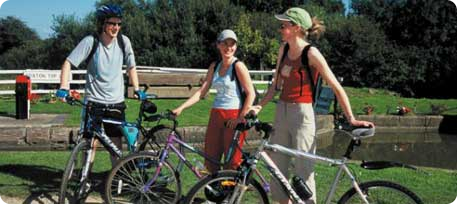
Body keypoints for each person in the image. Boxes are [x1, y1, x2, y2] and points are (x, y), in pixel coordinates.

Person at [249, 7, 375, 204]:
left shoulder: (311, 53)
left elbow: (335, 86)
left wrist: (351, 118)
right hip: (281, 111)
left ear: (297, 28)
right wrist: (260, 106)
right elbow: (275, 86)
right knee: (277, 169)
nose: (280, 28)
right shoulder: (283, 50)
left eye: (284, 24)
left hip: (302, 114)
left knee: (303, 171)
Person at [56, 4, 145, 164]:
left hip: (116, 102)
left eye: (119, 24)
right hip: (94, 102)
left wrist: (137, 89)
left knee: (115, 143)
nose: (116, 27)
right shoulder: (91, 42)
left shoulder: (124, 42)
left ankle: (115, 179)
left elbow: (131, 66)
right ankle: (85, 179)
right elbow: (68, 63)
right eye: (112, 23)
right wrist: (64, 87)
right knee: (90, 143)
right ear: (102, 24)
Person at [172, 29, 255, 173]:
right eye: (225, 43)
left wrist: (240, 119)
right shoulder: (214, 66)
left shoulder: (238, 66)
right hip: (216, 114)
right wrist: (181, 108)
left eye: (232, 44)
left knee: (232, 160)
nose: (228, 48)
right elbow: (201, 92)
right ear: (218, 45)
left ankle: (232, 193)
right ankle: (214, 191)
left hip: (234, 115)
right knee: (211, 157)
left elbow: (251, 93)